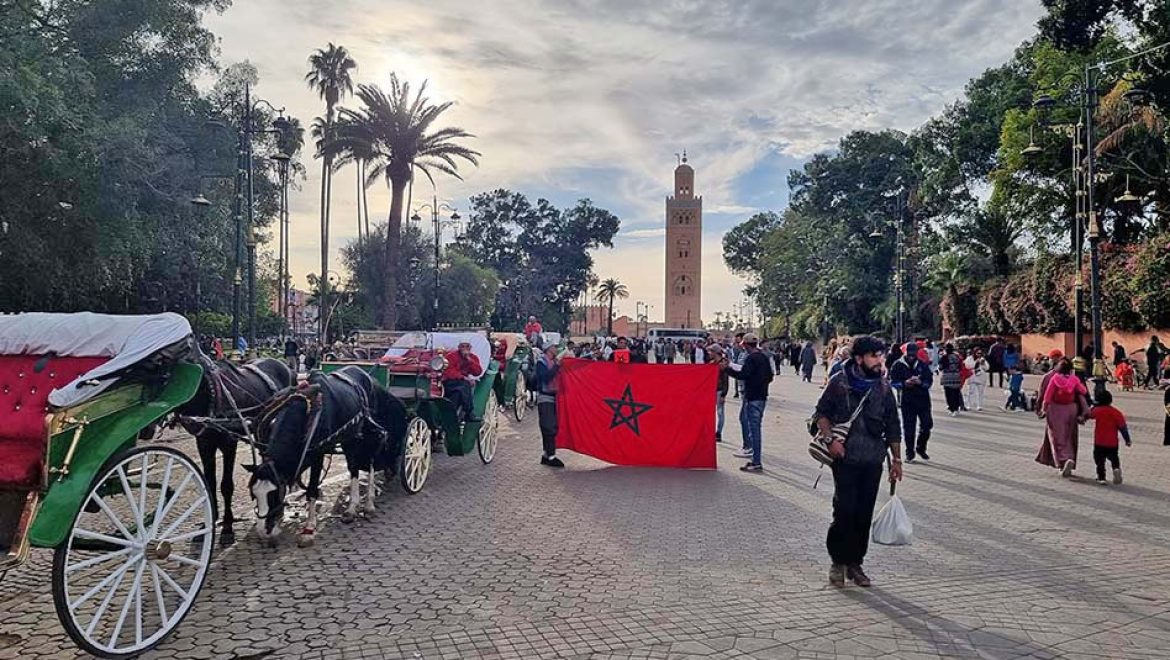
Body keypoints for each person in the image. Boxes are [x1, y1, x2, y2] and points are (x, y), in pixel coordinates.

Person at [813, 335, 902, 588]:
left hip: (873, 459)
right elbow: (821, 413)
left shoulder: (884, 388)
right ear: (859, 358)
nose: (879, 360)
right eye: (874, 356)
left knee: (863, 513)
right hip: (845, 459)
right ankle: (838, 562)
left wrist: (897, 460)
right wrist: (831, 441)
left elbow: (894, 425)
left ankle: (855, 564)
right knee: (844, 511)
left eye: (880, 355)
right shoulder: (839, 383)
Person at [1037, 356, 1089, 478]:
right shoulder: (1074, 379)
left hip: (1056, 409)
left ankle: (1063, 461)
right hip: (1071, 409)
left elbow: (1047, 397)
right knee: (1070, 436)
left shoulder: (1054, 379)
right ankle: (1070, 457)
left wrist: (1043, 409)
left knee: (1057, 438)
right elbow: (1083, 391)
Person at [728, 333, 773, 472]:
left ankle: (756, 461)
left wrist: (727, 370)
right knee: (755, 429)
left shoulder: (751, 358)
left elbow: (743, 375)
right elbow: (770, 376)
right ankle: (755, 460)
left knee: (754, 431)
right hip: (761, 397)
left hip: (752, 397)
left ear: (746, 345)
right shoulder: (763, 357)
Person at [889, 342, 933, 462]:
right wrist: (904, 383)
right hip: (907, 400)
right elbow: (892, 381)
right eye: (909, 355)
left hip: (923, 399)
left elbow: (929, 380)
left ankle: (921, 447)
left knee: (927, 425)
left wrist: (921, 383)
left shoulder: (922, 365)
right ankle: (910, 452)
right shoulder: (898, 365)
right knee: (909, 428)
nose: (911, 357)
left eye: (913, 355)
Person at [1088, 390, 1131, 485]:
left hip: (1100, 441)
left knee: (1099, 460)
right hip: (1113, 442)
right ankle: (1116, 468)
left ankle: (1101, 477)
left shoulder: (1097, 411)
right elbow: (1123, 428)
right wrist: (1127, 440)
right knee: (1114, 457)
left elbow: (1089, 414)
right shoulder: (1116, 412)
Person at [535, 344, 565, 467]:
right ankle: (550, 455)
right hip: (545, 397)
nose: (556, 349)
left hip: (554, 397)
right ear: (548, 349)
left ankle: (547, 454)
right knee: (549, 426)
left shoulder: (552, 362)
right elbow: (545, 378)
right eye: (554, 347)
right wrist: (557, 366)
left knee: (552, 427)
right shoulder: (541, 362)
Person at [441, 341, 484, 423]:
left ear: (470, 348)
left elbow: (478, 372)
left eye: (467, 346)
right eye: (462, 346)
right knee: (464, 386)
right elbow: (449, 372)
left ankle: (454, 416)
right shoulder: (451, 356)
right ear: (459, 347)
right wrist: (463, 378)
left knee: (458, 394)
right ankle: (469, 412)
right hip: (450, 381)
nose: (465, 348)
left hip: (462, 383)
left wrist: (470, 360)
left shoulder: (473, 357)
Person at [707, 344, 729, 442]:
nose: (709, 353)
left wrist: (724, 394)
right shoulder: (711, 363)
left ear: (715, 352)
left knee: (720, 413)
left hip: (719, 390)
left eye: (711, 351)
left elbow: (725, 380)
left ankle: (718, 432)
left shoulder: (723, 363)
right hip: (712, 390)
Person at [939, 344, 964, 416]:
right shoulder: (957, 357)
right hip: (956, 377)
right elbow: (960, 366)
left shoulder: (944, 357)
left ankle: (951, 408)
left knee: (948, 394)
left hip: (947, 377)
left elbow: (940, 368)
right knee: (956, 393)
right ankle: (956, 408)